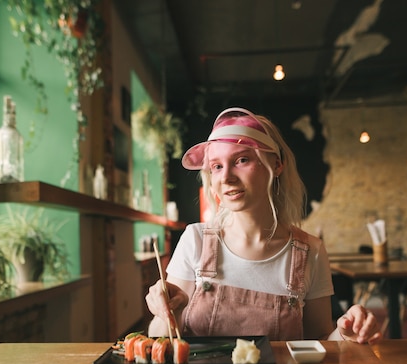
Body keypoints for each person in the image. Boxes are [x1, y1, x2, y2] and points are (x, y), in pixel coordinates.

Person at [146, 107, 381, 344]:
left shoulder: (311, 251)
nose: (226, 177)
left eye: (241, 160)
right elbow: (159, 341)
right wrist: (165, 314)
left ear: (277, 165)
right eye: (216, 166)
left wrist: (344, 334)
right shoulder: (195, 240)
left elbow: (319, 342)